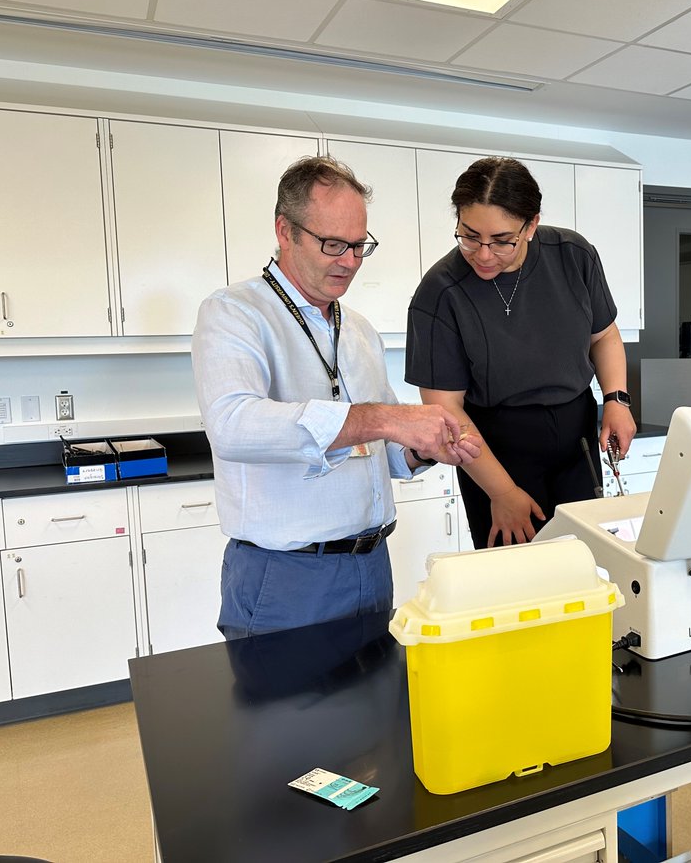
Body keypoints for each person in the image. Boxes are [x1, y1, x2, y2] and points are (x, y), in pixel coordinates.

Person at [193, 156, 480, 639]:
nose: (349, 261)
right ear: (285, 231)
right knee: (284, 716)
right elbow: (233, 426)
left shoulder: (359, 330)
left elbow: (381, 449)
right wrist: (383, 419)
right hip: (286, 576)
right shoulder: (234, 314)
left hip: (371, 567)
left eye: (358, 246)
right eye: (333, 244)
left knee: (371, 712)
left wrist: (420, 449)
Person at [405, 157, 636, 548]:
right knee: (516, 577)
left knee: (585, 562)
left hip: (575, 435)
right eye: (469, 236)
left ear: (531, 225)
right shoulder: (441, 292)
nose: (482, 254)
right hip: (493, 448)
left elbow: (604, 335)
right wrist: (501, 493)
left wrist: (616, 399)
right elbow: (446, 409)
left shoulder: (573, 254)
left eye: (501, 241)